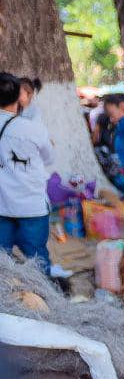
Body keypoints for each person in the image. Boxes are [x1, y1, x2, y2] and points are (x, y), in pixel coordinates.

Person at [0, 72, 54, 272]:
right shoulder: (32, 129)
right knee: (37, 259)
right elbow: (49, 158)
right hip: (31, 206)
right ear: (18, 98)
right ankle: (46, 299)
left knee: (2, 263)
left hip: (2, 206)